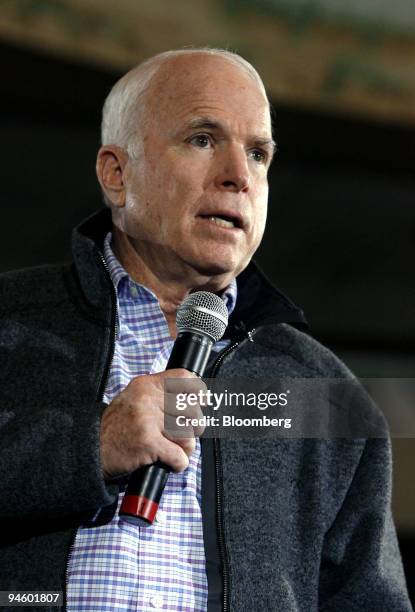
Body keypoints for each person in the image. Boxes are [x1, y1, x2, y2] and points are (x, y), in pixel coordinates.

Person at [0, 48, 412, 612]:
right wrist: (89, 446)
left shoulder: (322, 392)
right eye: (202, 139)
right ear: (117, 175)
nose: (238, 176)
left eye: (259, 153)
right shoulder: (12, 322)